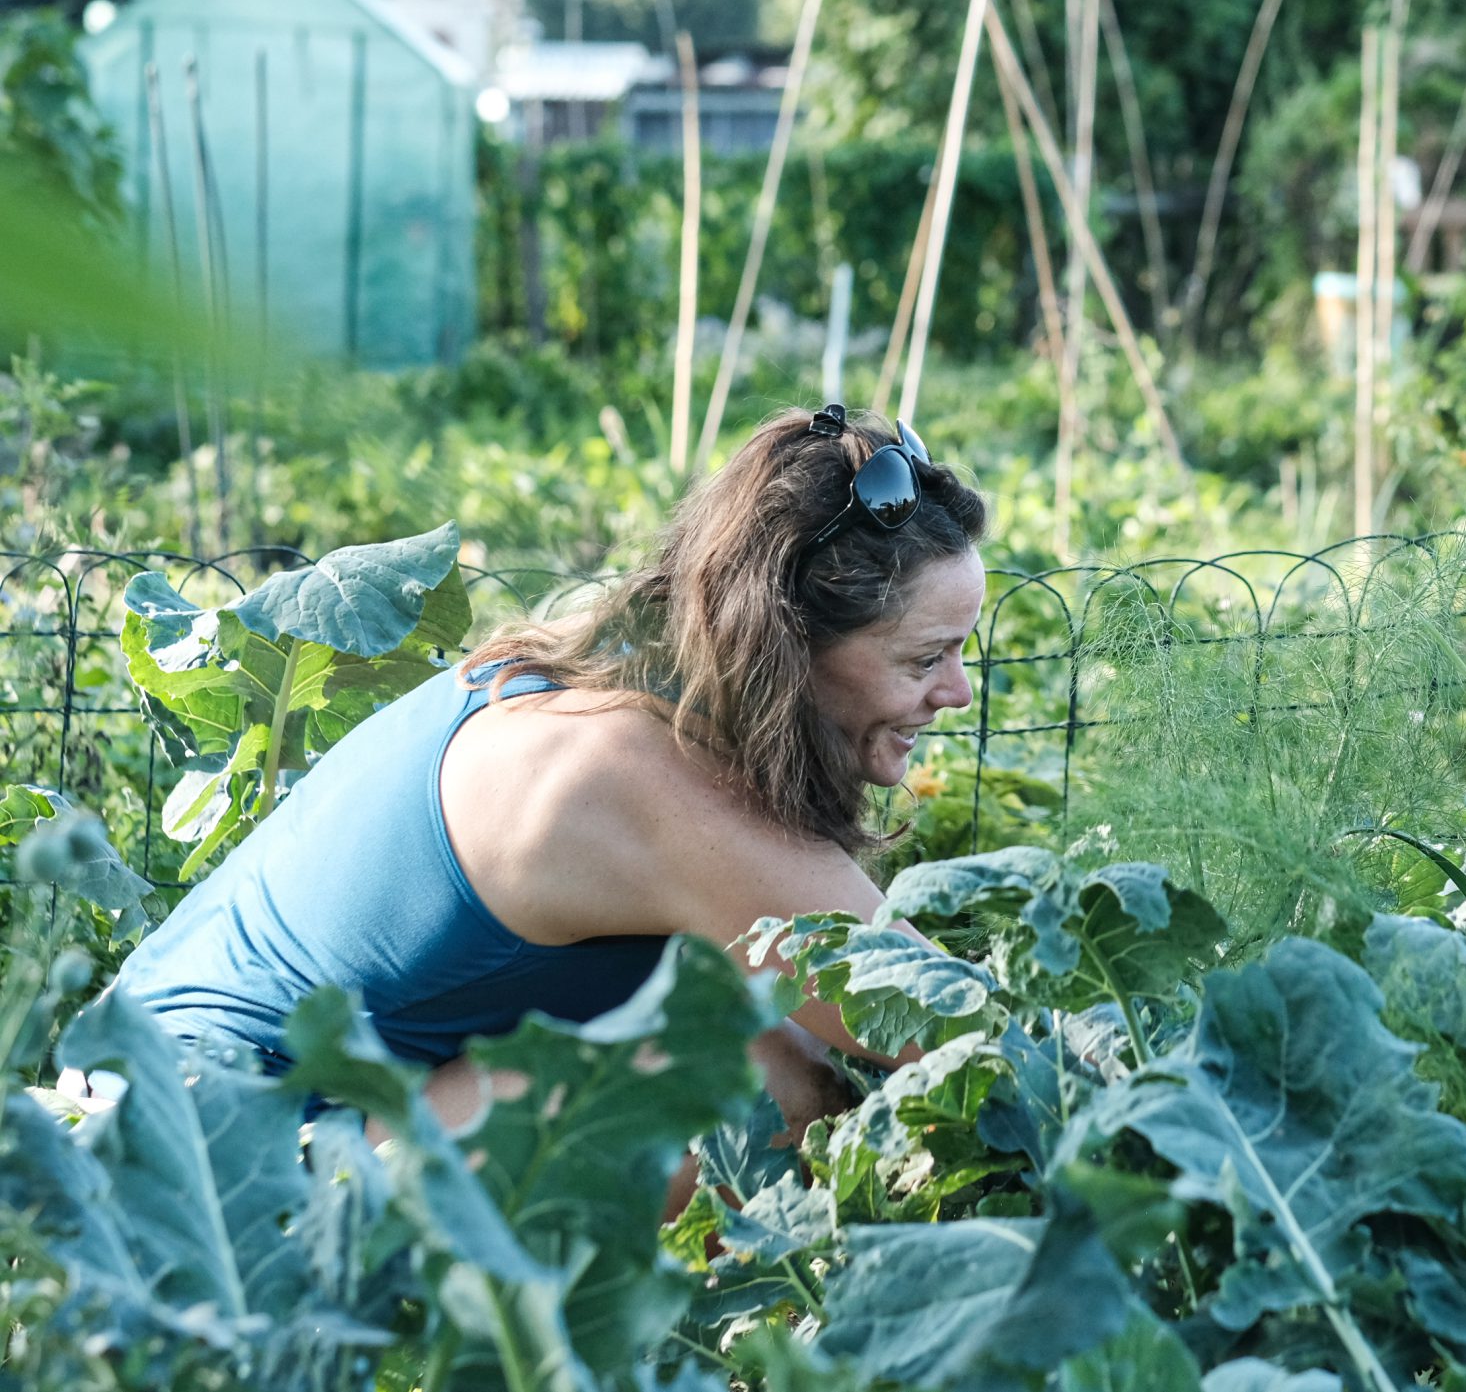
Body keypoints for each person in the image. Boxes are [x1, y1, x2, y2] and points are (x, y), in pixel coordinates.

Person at [99, 405, 985, 1136]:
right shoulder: (643, 779)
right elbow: (959, 1031)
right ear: (790, 643)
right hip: (193, 1162)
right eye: (925, 658)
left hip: (139, 1085)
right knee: (766, 1090)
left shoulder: (591, 679)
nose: (957, 690)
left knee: (755, 1027)